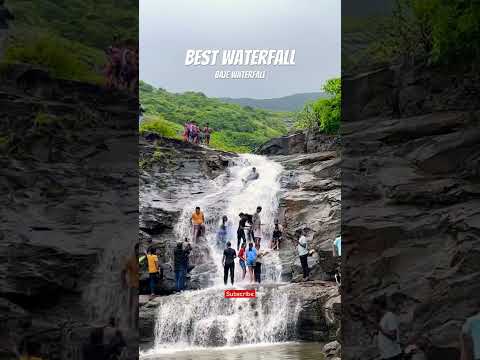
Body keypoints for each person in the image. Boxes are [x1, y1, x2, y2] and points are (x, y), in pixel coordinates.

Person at [122, 243, 140, 329]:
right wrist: (124, 283)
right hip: (132, 286)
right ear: (135, 250)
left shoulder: (141, 259)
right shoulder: (130, 259)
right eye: (137, 250)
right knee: (130, 306)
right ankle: (129, 324)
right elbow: (123, 271)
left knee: (136, 308)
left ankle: (135, 325)